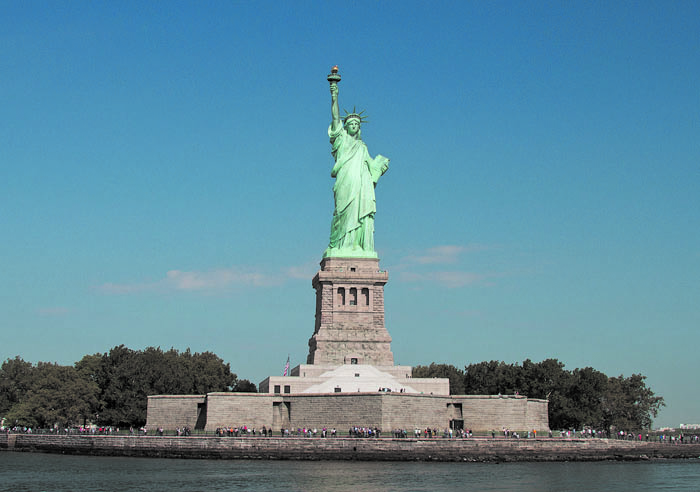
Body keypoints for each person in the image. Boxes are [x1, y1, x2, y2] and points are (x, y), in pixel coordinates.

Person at [324, 82, 389, 258]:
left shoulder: (362, 147)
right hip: (345, 183)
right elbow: (335, 118)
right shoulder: (341, 140)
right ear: (345, 127)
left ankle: (357, 246)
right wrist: (334, 96)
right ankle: (339, 245)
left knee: (359, 215)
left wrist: (381, 166)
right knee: (342, 213)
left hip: (360, 186)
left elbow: (372, 167)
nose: (354, 125)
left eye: (356, 124)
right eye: (351, 123)